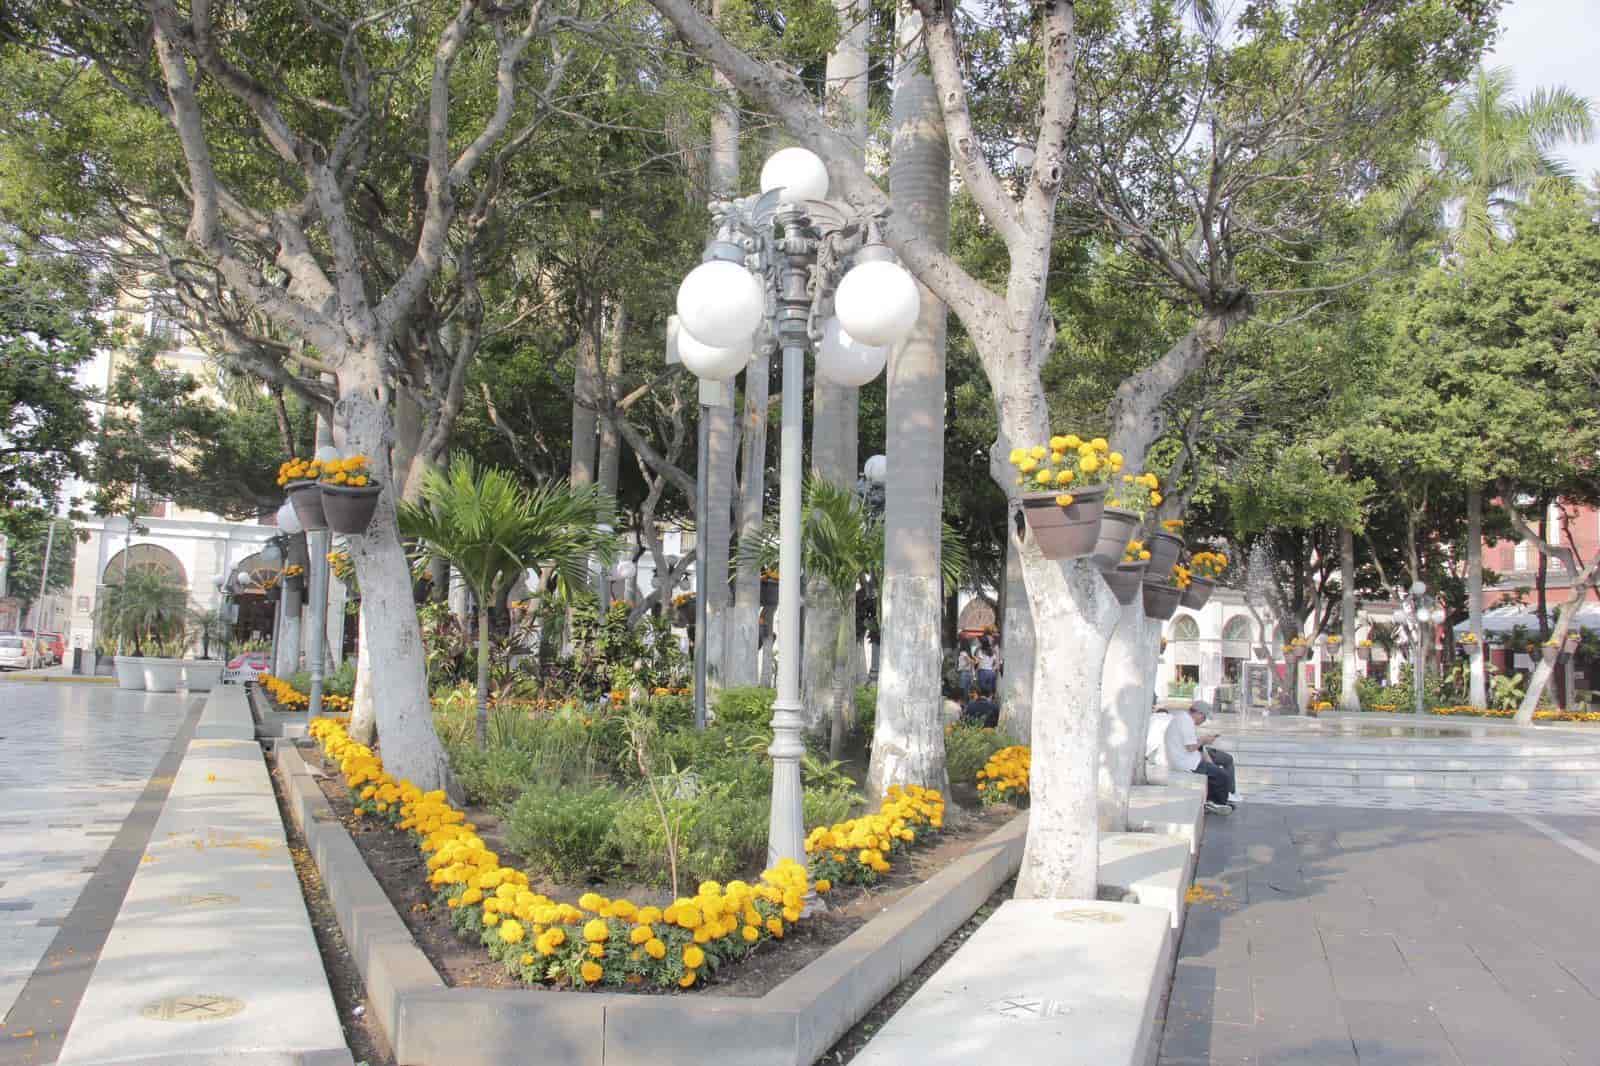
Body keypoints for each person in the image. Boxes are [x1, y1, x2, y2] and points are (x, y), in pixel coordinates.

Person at [1166, 699, 1240, 814]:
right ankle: (1218, 804)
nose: (1203, 721)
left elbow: (1193, 745)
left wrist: (1203, 742)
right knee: (1222, 776)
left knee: (1215, 771)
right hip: (1186, 763)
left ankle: (1214, 801)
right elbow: (1190, 747)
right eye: (1204, 718)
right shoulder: (1186, 722)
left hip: (1186, 759)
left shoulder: (1183, 718)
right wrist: (1204, 740)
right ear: (1198, 713)